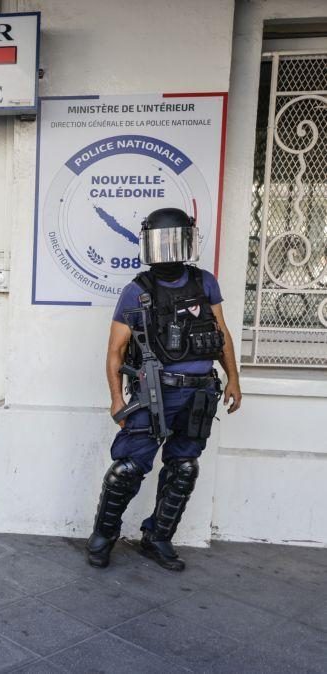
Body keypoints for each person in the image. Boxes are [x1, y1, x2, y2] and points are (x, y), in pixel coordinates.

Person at [85, 207, 242, 572]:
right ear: (149, 246)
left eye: (176, 241)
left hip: (200, 392)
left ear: (188, 242)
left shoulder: (205, 283)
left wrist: (233, 377)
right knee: (127, 468)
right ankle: (103, 536)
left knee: (184, 466)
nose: (169, 250)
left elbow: (221, 334)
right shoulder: (136, 291)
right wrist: (116, 398)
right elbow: (116, 351)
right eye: (161, 242)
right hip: (154, 392)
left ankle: (157, 538)